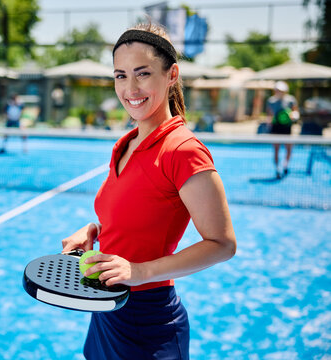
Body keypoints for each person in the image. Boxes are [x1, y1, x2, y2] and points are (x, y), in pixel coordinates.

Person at [61, 23, 236, 359]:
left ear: (172, 75)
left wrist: (139, 272)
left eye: (142, 73)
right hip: (107, 309)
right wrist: (94, 230)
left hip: (148, 322)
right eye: (120, 75)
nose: (130, 88)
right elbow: (133, 211)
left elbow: (223, 244)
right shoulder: (126, 143)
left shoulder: (183, 150)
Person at [266, 81, 299, 178]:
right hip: (276, 128)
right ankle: (277, 169)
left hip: (287, 128)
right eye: (277, 90)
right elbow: (270, 114)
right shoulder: (271, 101)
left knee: (289, 149)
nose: (278, 92)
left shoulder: (291, 100)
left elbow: (295, 111)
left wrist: (294, 116)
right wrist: (269, 122)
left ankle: (285, 165)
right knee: (276, 149)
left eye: (280, 90)